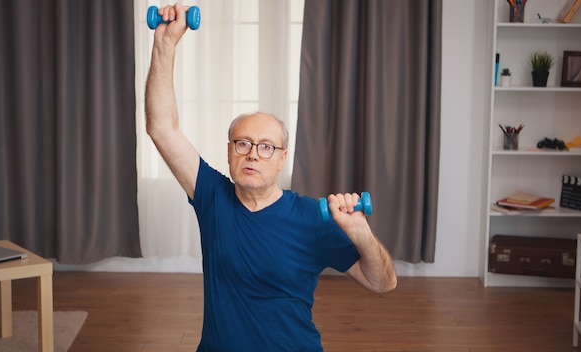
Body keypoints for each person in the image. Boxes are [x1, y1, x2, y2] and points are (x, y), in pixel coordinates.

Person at [145, 4, 397, 351]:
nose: (252, 153)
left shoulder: (314, 218)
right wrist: (164, 44)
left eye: (266, 147)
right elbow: (161, 128)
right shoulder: (213, 197)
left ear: (282, 159)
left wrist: (361, 233)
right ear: (230, 152)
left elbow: (383, 283)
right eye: (243, 143)